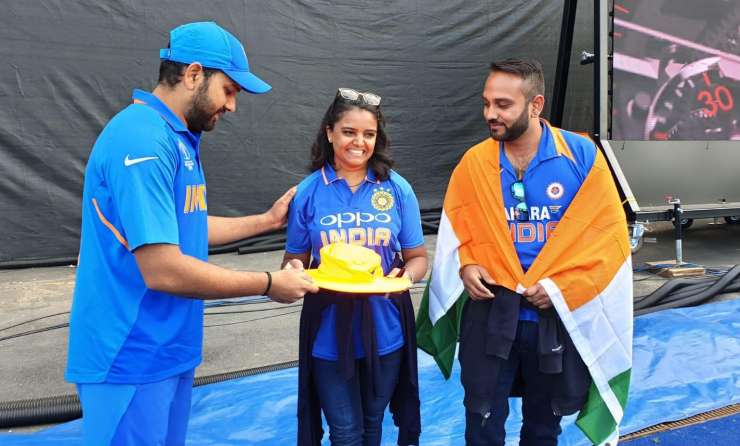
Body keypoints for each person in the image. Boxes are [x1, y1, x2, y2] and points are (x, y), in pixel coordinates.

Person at [65, 21, 318, 446]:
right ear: (194, 74)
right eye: (230, 90)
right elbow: (164, 269)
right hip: (130, 355)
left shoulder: (176, 138)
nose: (233, 106)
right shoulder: (142, 141)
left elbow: (186, 226)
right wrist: (269, 283)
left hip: (167, 350)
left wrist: (267, 221)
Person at [416, 58, 633, 446]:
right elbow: (457, 234)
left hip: (555, 313)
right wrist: (466, 265)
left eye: (502, 105)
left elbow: (608, 240)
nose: (490, 114)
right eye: (486, 103)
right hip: (491, 312)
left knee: (543, 426)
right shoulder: (474, 163)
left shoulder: (581, 156)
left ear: (535, 105)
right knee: (481, 420)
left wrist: (562, 286)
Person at [284, 88, 429, 446]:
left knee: (372, 425)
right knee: (346, 433)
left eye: (368, 134)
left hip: (386, 329)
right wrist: (291, 273)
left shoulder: (396, 189)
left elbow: (418, 258)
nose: (358, 142)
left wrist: (406, 277)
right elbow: (294, 260)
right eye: (349, 132)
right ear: (330, 132)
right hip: (329, 334)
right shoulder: (308, 192)